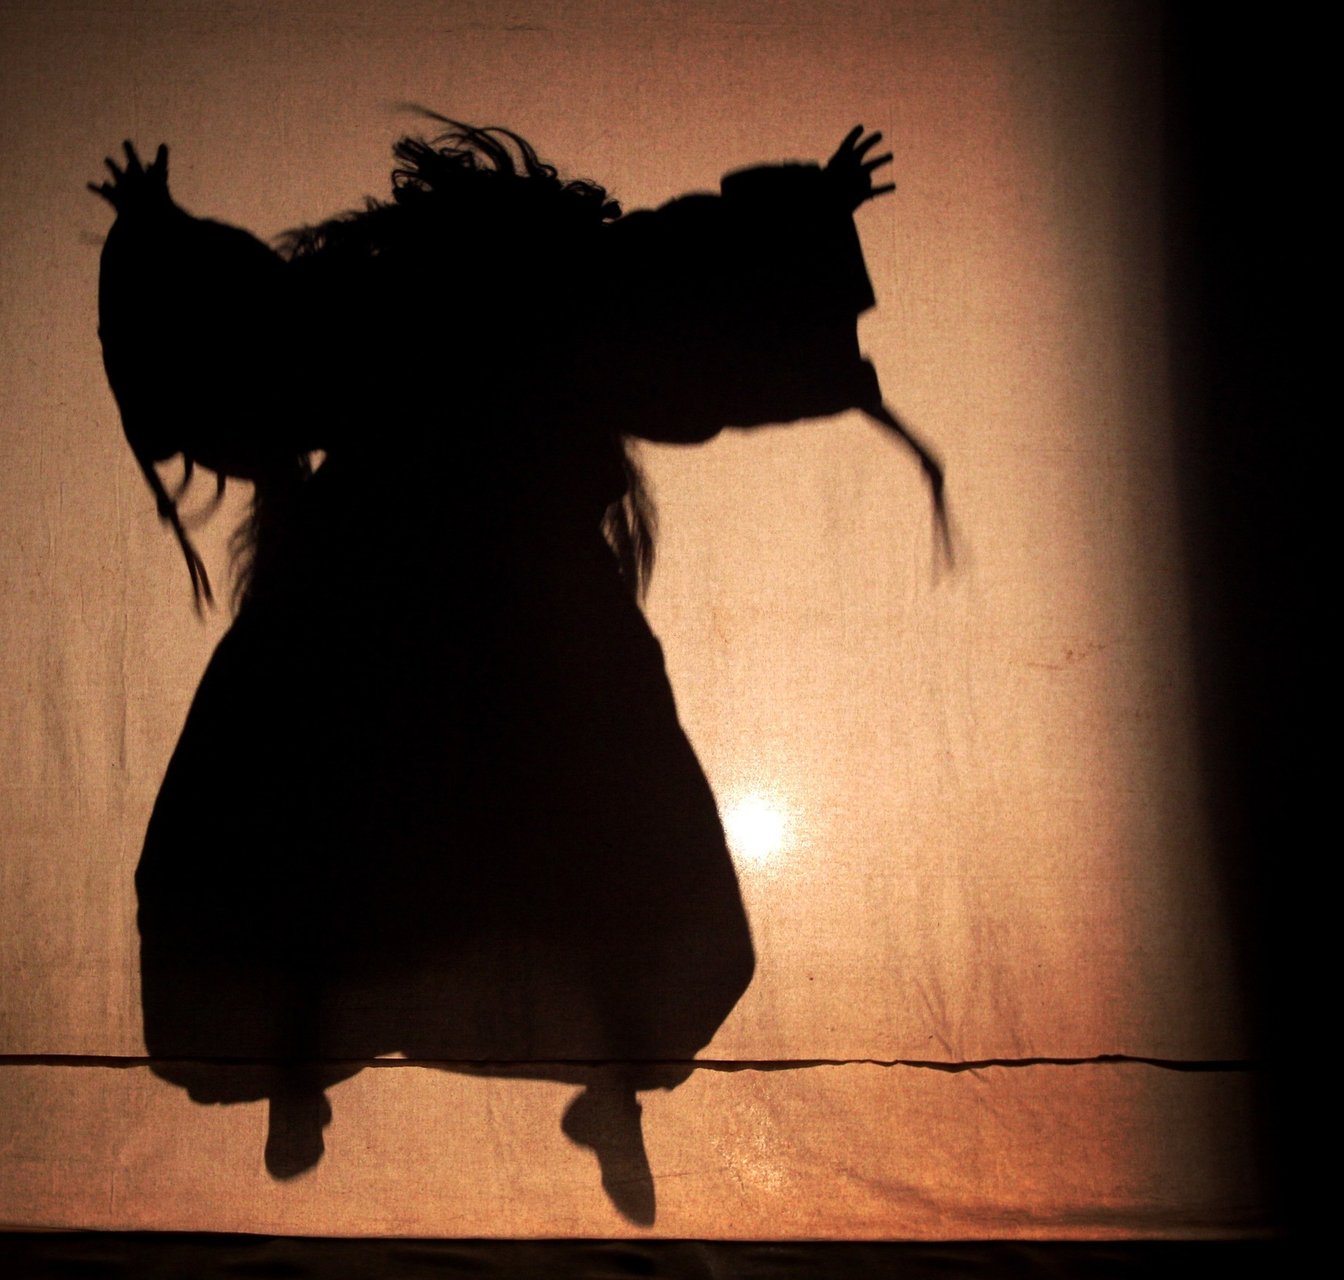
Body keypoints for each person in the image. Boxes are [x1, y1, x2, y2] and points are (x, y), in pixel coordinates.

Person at [92, 117, 933, 1225]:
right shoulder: (499, 303)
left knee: (343, 837)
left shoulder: (473, 303)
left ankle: (551, 1074)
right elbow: (689, 290)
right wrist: (809, 210)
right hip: (450, 621)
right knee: (563, 850)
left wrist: (158, 229)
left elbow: (245, 322)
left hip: (417, 619)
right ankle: (568, 1072)